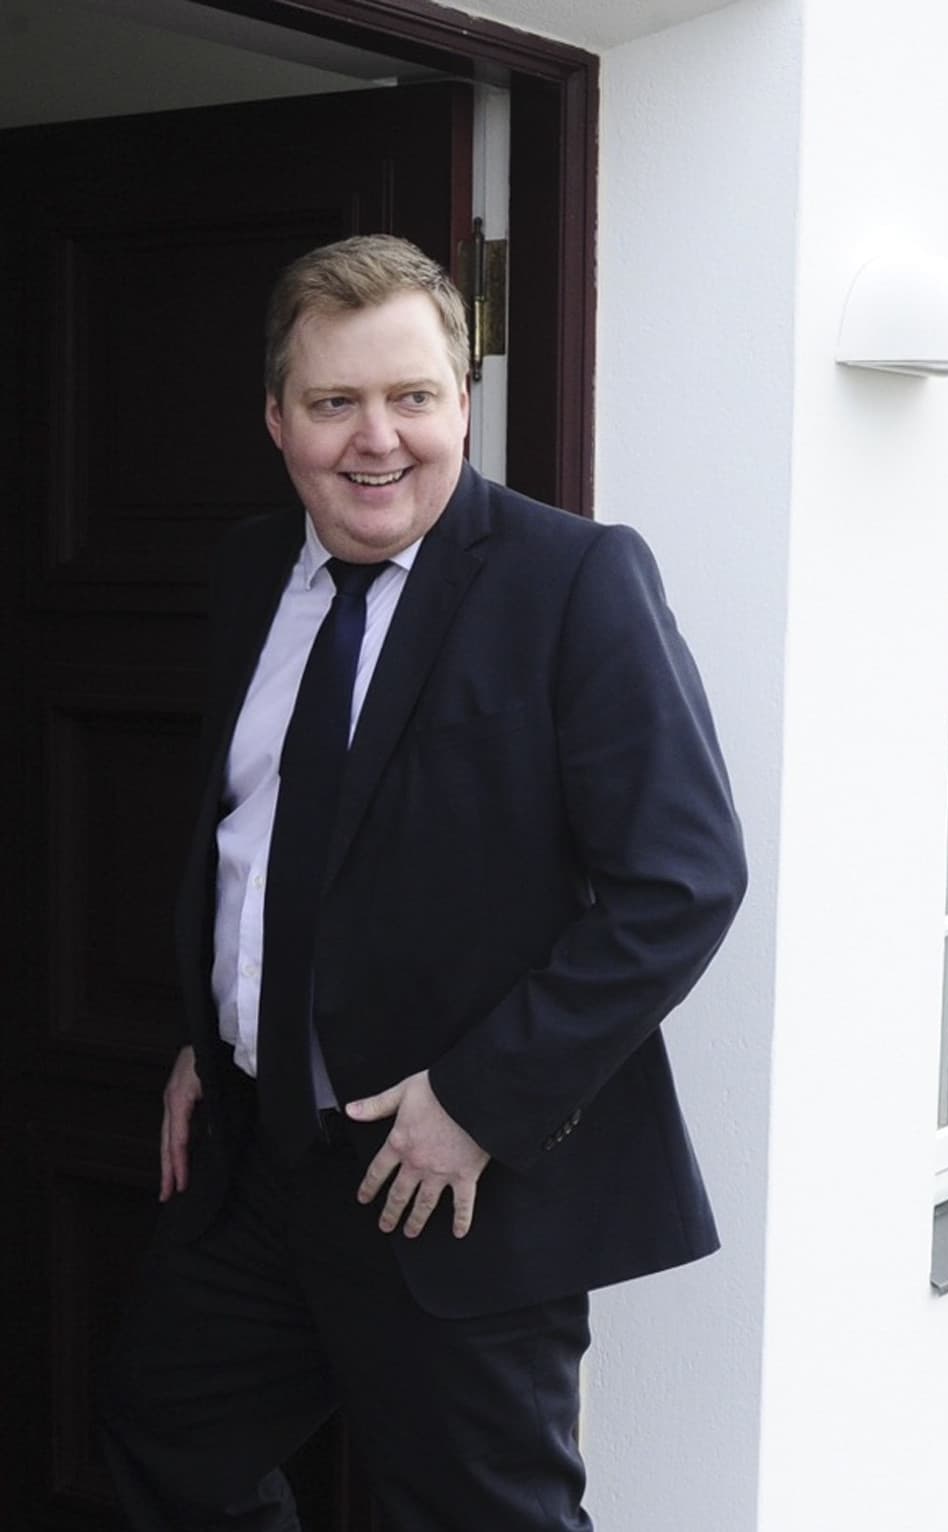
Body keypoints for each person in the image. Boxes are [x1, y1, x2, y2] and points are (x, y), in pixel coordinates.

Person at [97, 234, 746, 1530]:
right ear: (277, 419)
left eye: (412, 398)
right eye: (335, 403)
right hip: (256, 1160)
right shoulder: (245, 576)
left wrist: (480, 1103)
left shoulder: (575, 580)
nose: (375, 441)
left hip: (449, 1182)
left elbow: (681, 879)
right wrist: (214, 1026)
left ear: (464, 404)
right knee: (169, 1453)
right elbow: (257, 834)